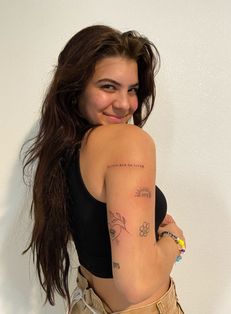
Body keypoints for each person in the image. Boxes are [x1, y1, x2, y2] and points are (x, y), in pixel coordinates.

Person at [23, 25, 186, 313]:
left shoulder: (68, 147)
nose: (125, 104)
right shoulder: (127, 141)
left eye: (132, 89)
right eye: (108, 86)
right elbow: (137, 283)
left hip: (88, 304)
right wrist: (175, 239)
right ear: (76, 89)